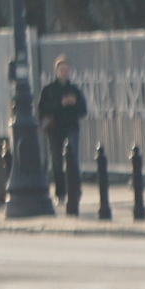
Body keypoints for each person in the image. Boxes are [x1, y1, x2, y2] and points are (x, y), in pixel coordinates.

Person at [36, 55, 89, 211]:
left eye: (66, 69)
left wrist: (74, 103)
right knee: (57, 162)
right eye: (61, 69)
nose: (64, 72)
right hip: (54, 130)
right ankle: (60, 193)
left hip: (71, 128)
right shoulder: (49, 90)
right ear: (56, 71)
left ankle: (75, 191)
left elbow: (83, 110)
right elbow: (42, 111)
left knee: (72, 162)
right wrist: (60, 104)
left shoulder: (74, 90)